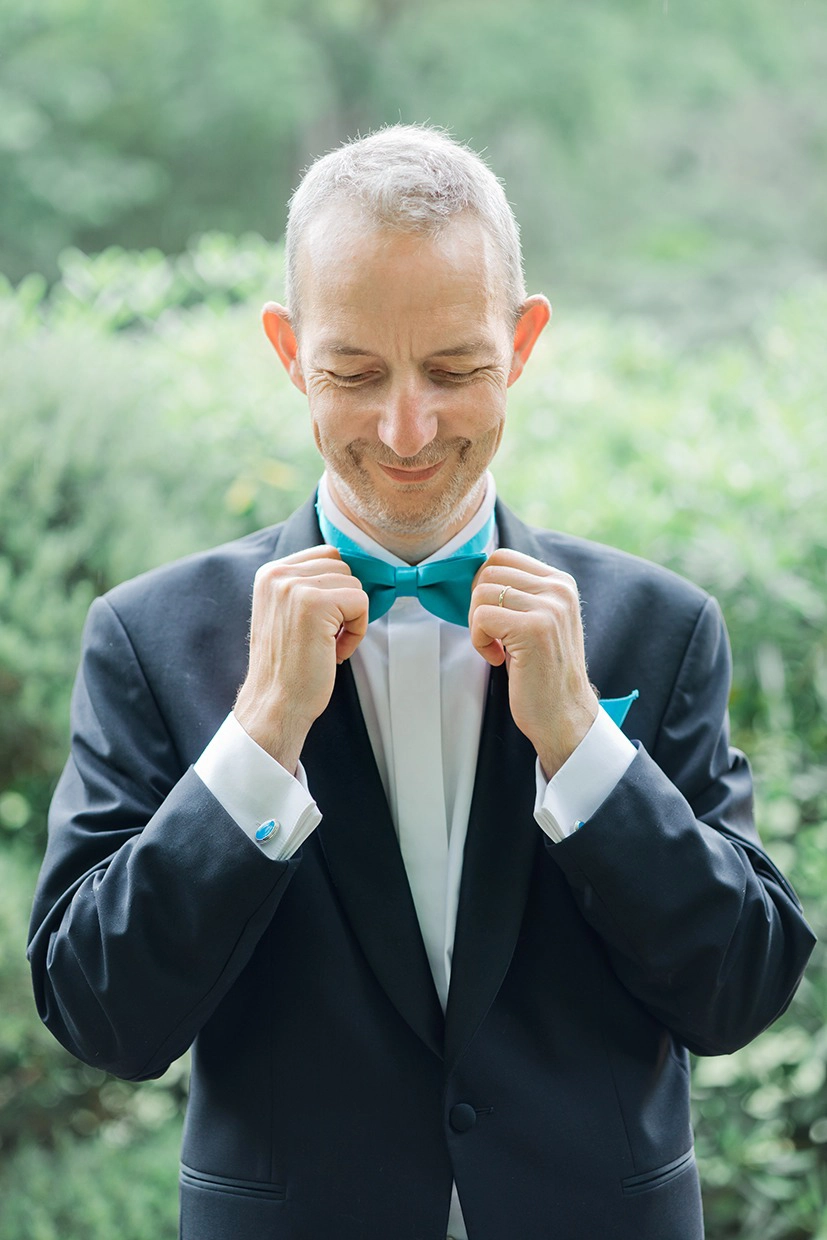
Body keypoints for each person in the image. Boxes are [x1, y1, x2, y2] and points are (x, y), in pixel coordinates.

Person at [29, 124, 813, 1240]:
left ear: (522, 342)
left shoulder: (661, 627)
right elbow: (101, 1018)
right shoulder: (149, 639)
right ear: (288, 350)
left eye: (454, 370)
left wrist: (582, 744)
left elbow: (735, 992)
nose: (407, 428)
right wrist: (258, 738)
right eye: (354, 374)